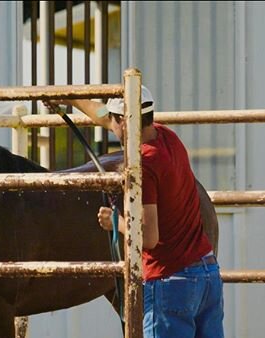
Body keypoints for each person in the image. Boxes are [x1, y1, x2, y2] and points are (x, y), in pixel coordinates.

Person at [44, 86, 224, 338]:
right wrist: (71, 99)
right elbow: (105, 115)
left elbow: (149, 237)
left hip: (170, 282)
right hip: (207, 276)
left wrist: (114, 221)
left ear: (125, 123)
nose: (111, 127)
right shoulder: (167, 136)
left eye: (115, 122)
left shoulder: (145, 165)